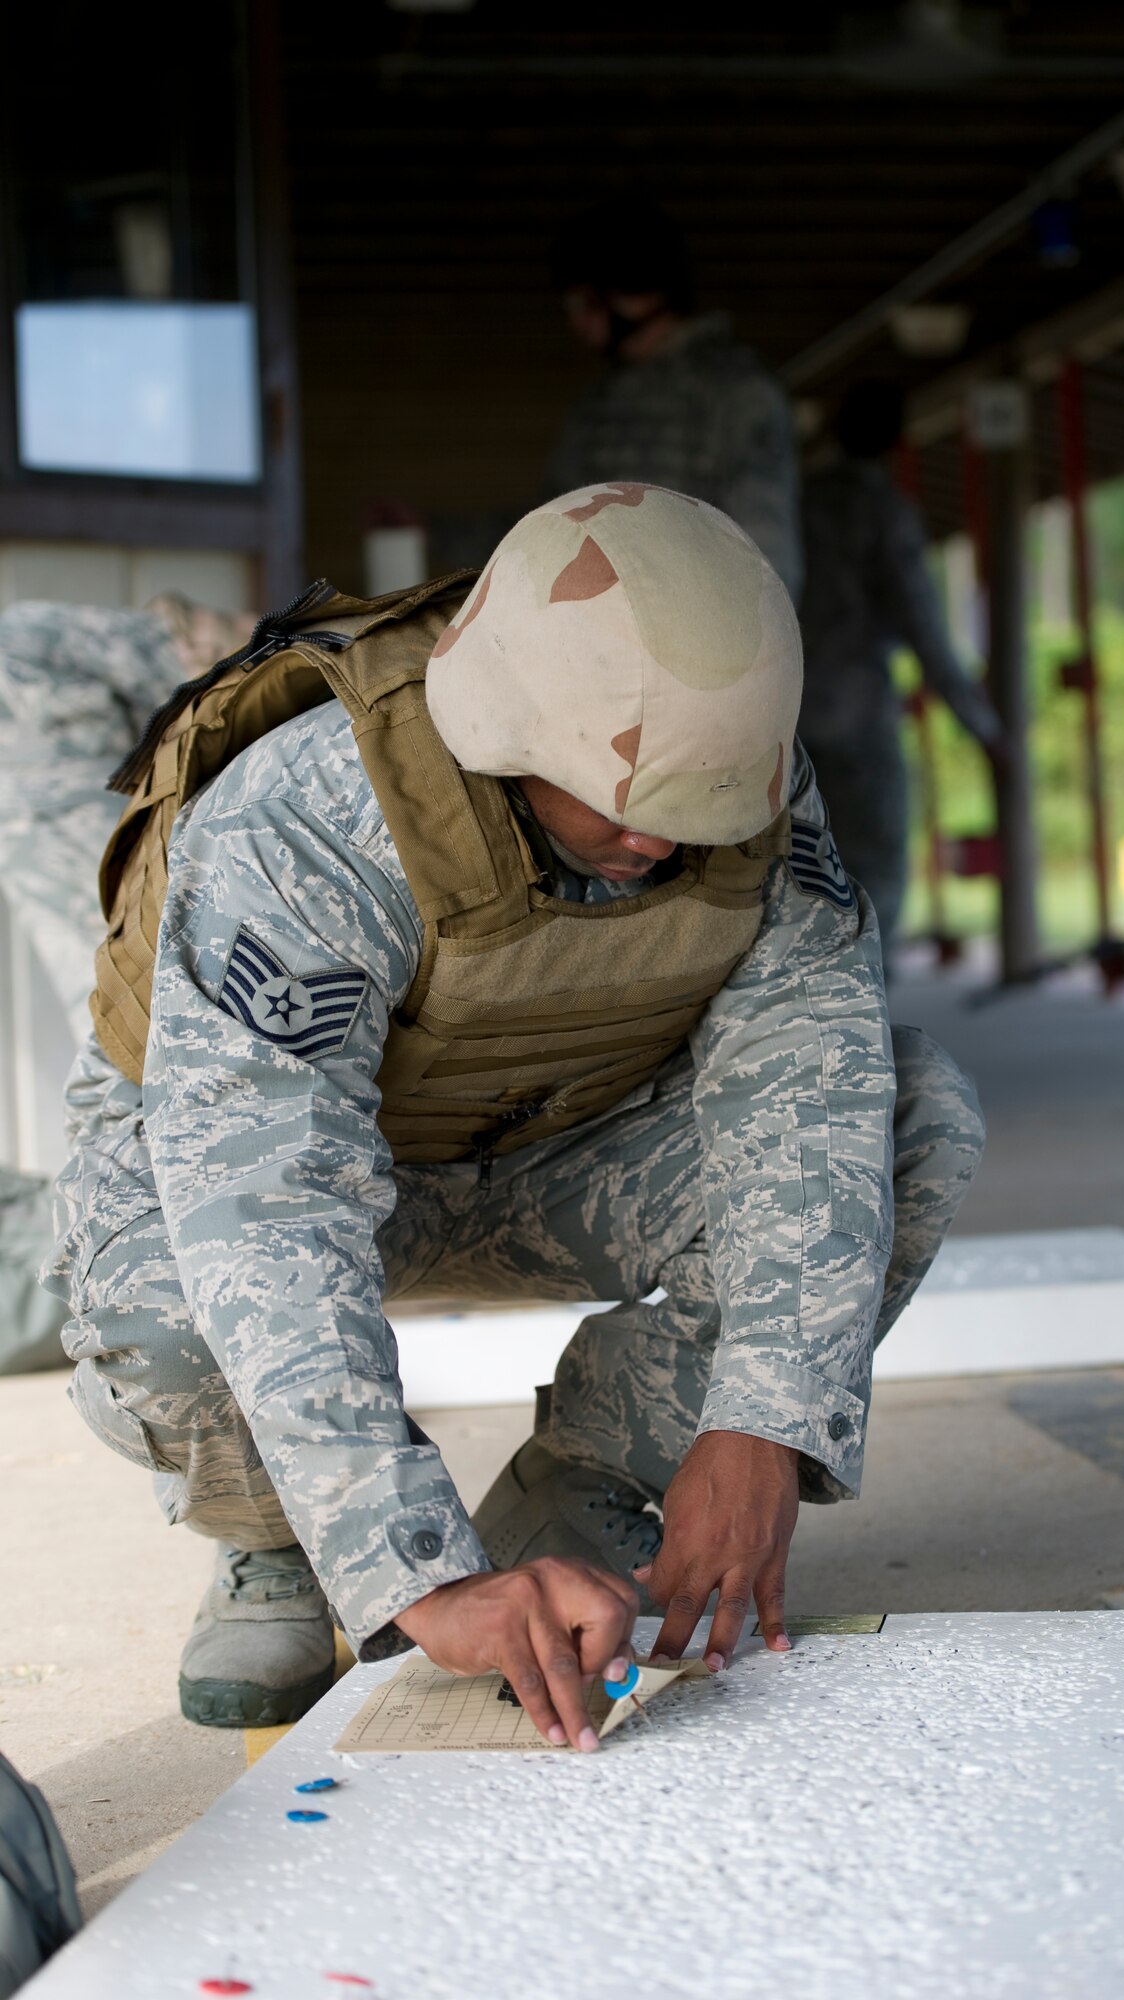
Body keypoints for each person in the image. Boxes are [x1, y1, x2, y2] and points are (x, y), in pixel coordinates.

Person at [43, 485, 985, 1749]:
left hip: (552, 1144)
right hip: (284, 1170)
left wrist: (761, 1415)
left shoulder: (732, 782)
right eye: (619, 800)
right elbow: (265, 1203)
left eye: (695, 806)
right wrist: (416, 1569)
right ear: (507, 724)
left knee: (913, 1117)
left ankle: (586, 1488)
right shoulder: (312, 814)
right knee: (159, 1313)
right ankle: (274, 1535)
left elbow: (807, 1086)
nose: (660, 837)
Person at [0, 594, 251, 1375]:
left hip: (84, 845)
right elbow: (194, 705)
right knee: (128, 1031)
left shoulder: (40, 634)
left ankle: (152, 1227)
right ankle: (149, 1233)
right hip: (81, 850)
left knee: (125, 1028)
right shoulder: (52, 633)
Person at [799, 379, 1009, 963]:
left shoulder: (795, 503)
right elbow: (926, 631)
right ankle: (861, 1007)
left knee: (797, 875)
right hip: (860, 721)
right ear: (896, 439)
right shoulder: (885, 513)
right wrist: (985, 729)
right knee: (876, 874)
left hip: (783, 725)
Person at [548, 198, 804, 601]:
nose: (575, 321)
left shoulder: (736, 393)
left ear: (632, 294)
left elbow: (768, 565)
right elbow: (546, 531)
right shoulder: (595, 407)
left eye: (583, 303)